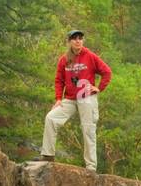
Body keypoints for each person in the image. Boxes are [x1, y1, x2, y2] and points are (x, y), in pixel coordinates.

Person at [39, 29, 111, 171]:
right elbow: (59, 80)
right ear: (70, 41)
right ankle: (48, 156)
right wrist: (58, 98)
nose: (78, 41)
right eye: (74, 38)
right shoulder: (64, 59)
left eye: (80, 38)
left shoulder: (89, 56)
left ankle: (90, 167)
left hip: (86, 97)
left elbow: (107, 72)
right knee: (51, 118)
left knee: (88, 130)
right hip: (70, 99)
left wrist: (99, 88)